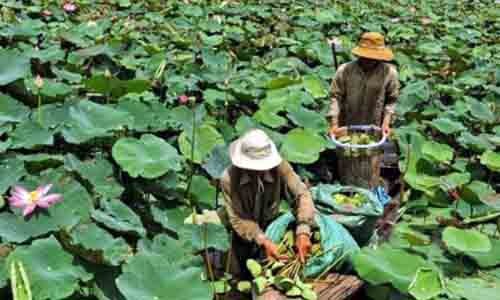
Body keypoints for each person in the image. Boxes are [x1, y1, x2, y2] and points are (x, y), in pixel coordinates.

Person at [219, 129, 315, 280]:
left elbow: (302, 194)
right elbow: (238, 218)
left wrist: (303, 230)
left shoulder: (281, 168)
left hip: (270, 225)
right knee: (237, 277)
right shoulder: (229, 179)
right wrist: (263, 240)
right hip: (237, 233)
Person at [328, 32, 400, 188]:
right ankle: (348, 183)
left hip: (374, 123)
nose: (369, 60)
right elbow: (335, 97)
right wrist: (334, 123)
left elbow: (392, 100)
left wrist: (386, 123)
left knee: (371, 161)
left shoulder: (389, 73)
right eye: (366, 57)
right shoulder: (345, 70)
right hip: (347, 123)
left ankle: (369, 185)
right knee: (348, 159)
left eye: (373, 57)